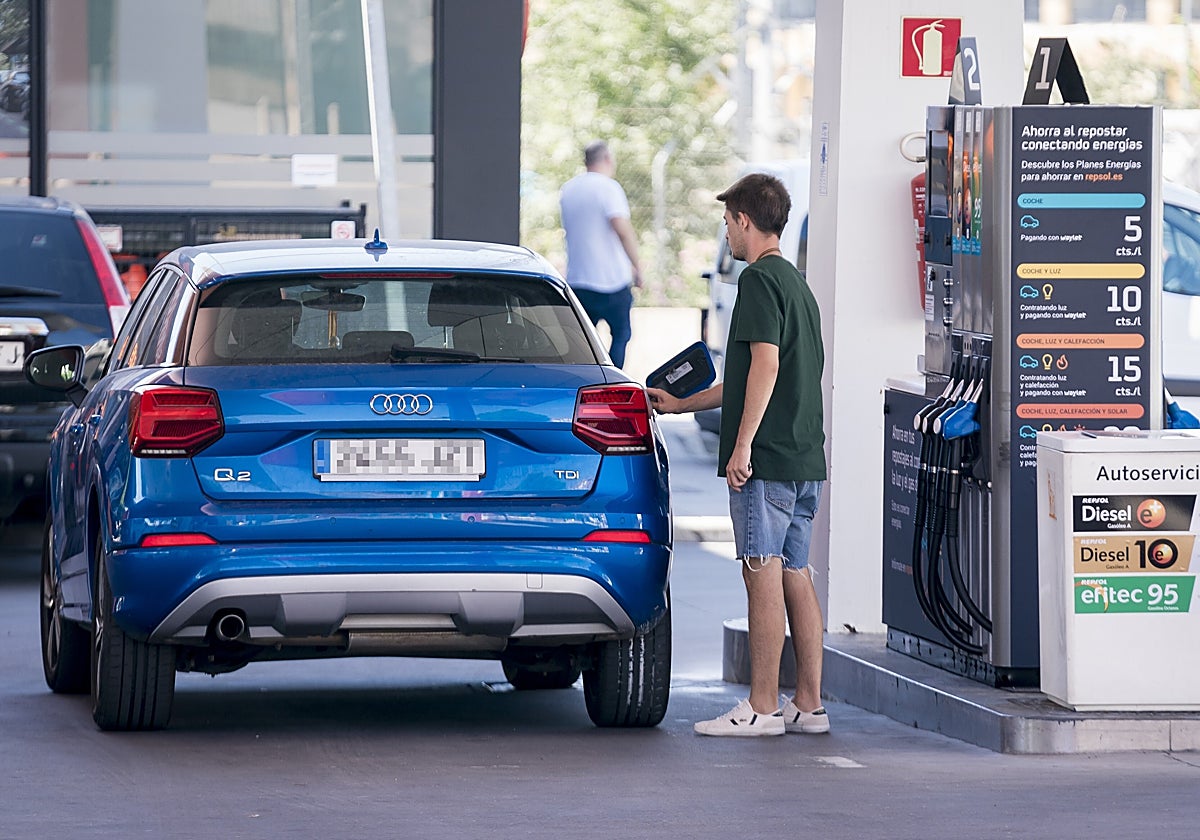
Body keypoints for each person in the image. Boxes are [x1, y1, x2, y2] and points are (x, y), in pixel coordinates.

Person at [647, 173, 829, 737]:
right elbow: (746, 377)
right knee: (796, 573)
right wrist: (681, 405)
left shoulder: (756, 282)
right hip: (803, 460)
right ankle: (808, 705)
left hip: (767, 461)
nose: (726, 231)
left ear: (746, 221)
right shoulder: (797, 285)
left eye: (728, 221)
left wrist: (742, 445)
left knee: (760, 573)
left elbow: (766, 366)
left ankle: (762, 708)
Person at [559, 140, 643, 368]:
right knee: (621, 335)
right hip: (611, 281)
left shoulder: (568, 190)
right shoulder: (608, 187)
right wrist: (638, 267)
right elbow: (622, 230)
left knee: (582, 344)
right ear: (607, 159)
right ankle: (613, 383)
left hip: (578, 280)